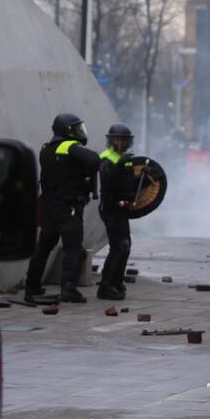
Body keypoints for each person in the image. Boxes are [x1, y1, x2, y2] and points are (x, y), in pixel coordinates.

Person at [25, 113, 100, 304]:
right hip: (69, 208)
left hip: (50, 208)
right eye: (76, 128)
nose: (79, 132)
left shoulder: (46, 149)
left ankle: (32, 286)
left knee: (43, 248)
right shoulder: (69, 146)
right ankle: (69, 289)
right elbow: (94, 160)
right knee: (72, 249)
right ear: (67, 131)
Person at [98, 123, 138, 300]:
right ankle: (105, 287)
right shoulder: (107, 157)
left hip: (123, 209)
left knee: (126, 247)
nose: (121, 143)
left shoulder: (125, 158)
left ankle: (116, 282)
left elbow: (128, 182)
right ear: (111, 141)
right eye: (118, 139)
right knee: (118, 247)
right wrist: (122, 163)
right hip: (111, 208)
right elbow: (108, 183)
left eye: (124, 140)